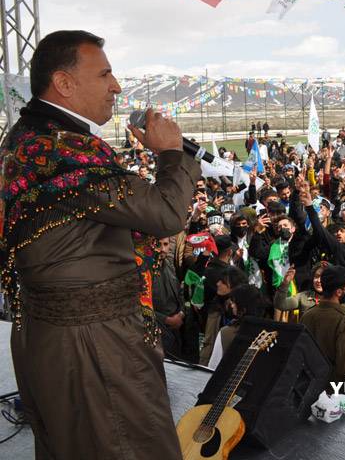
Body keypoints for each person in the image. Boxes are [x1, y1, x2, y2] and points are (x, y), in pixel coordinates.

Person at [2, 31, 199, 459]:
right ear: (65, 83)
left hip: (56, 336)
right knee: (129, 445)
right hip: (94, 345)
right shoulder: (60, 150)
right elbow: (165, 213)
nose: (117, 86)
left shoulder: (28, 138)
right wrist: (172, 154)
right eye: (105, 73)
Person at [301, 265, 345, 383]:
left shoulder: (308, 315)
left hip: (309, 383)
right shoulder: (343, 320)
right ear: (339, 292)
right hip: (333, 388)